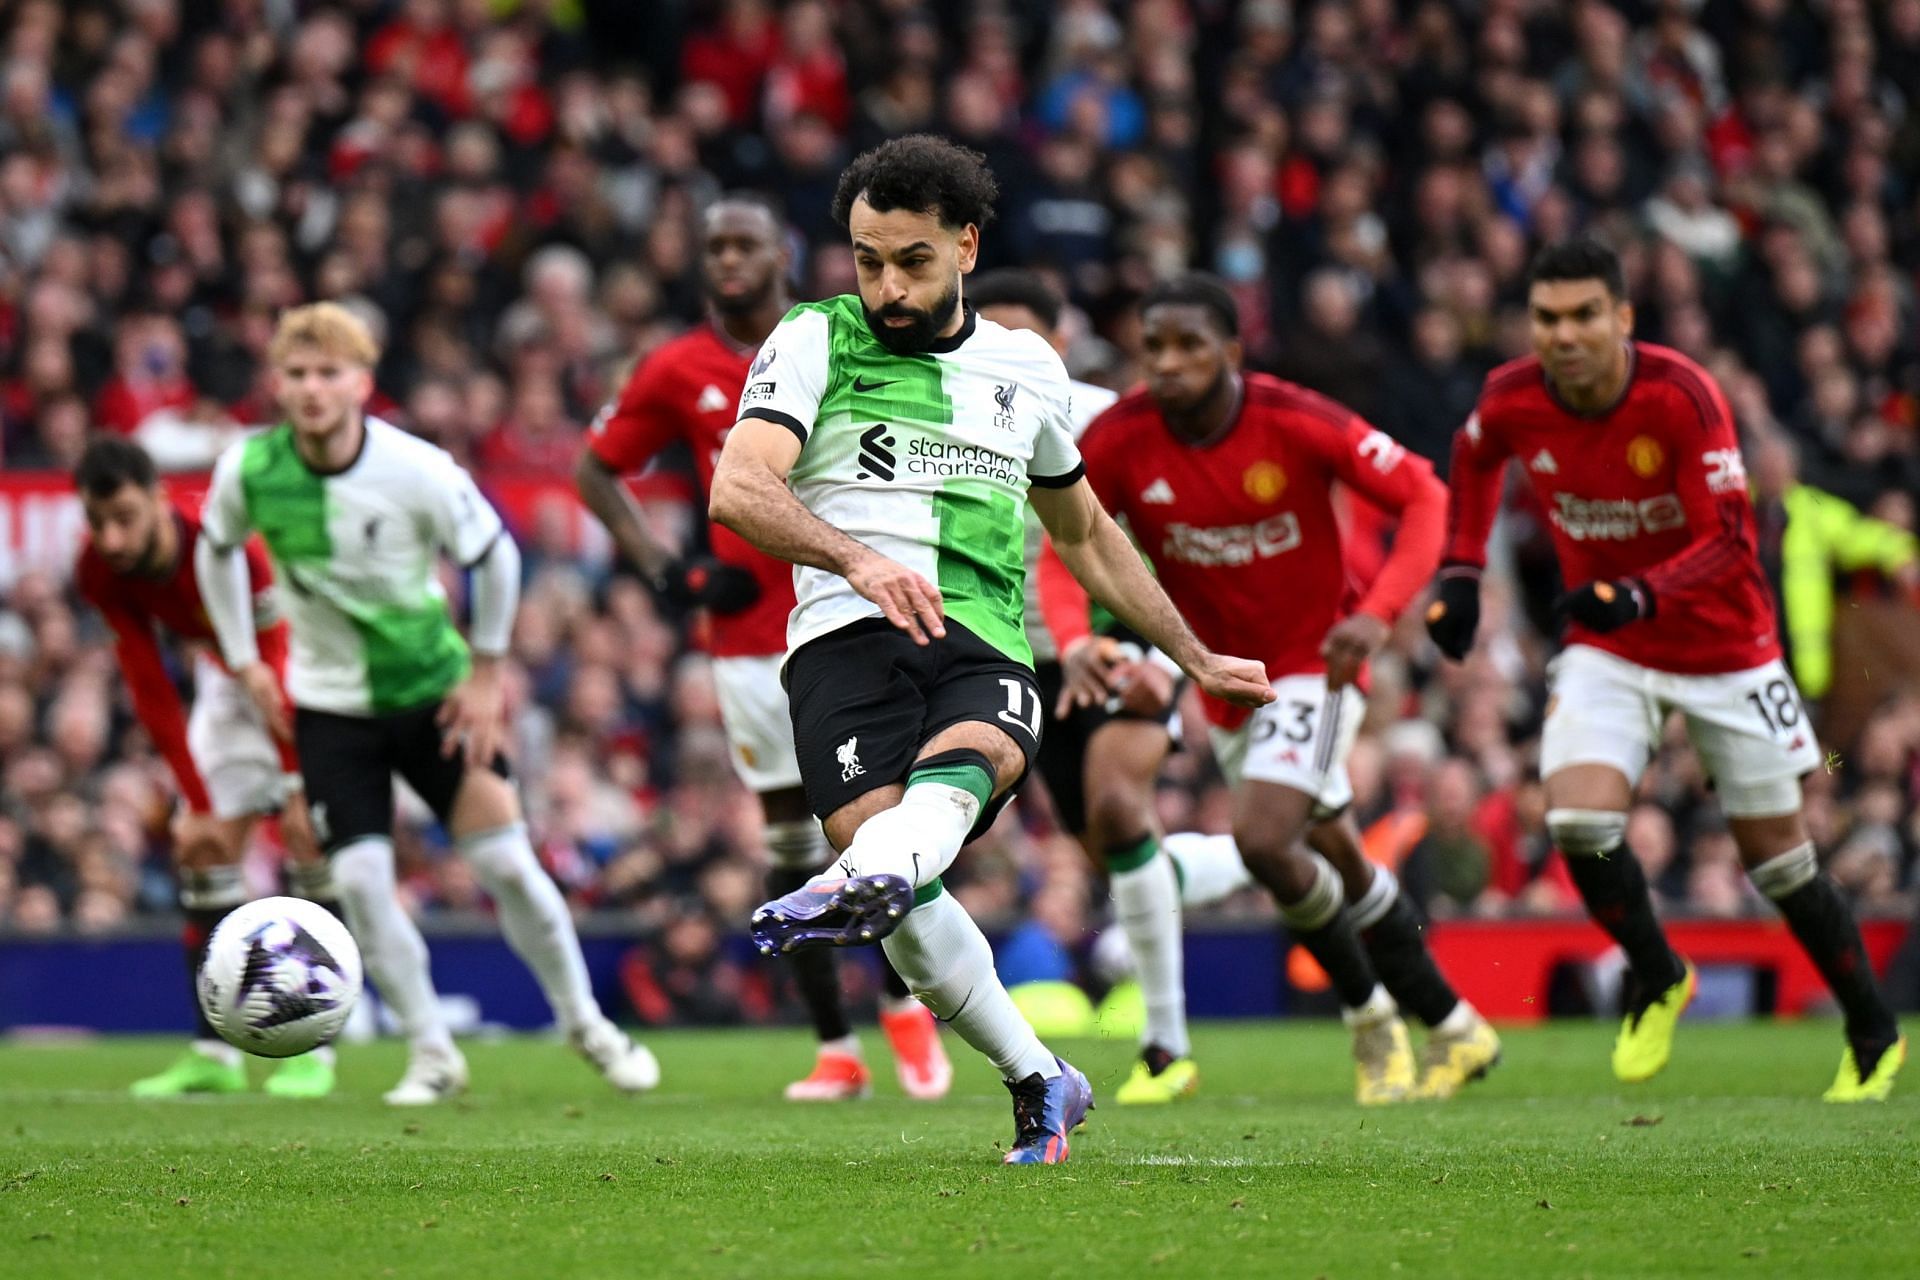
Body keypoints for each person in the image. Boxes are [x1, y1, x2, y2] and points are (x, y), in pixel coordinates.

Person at [709, 136, 1271, 1164]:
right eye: (868, 259)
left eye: (912, 259)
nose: (886, 285)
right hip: (843, 643)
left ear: (967, 244)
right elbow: (740, 486)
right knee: (905, 889)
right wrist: (856, 559)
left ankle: (858, 875)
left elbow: (1089, 532)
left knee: (960, 770)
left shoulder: (1026, 368)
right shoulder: (813, 338)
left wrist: (1192, 653)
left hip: (983, 640)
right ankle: (1039, 1076)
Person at [1427, 236, 1905, 1101]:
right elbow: (1472, 455)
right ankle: (1657, 973)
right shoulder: (1511, 397)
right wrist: (1461, 571)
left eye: (1583, 316)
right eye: (1546, 318)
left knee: (1780, 863)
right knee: (1575, 818)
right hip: (1610, 645)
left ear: (1622, 318)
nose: (1564, 335)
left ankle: (1873, 1030)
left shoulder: (1682, 394)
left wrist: (1641, 593)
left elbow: (1732, 539)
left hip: (1727, 649)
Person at [195, 302, 660, 1105]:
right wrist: (243, 663)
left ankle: (588, 1025)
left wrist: (484, 675)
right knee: (366, 884)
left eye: (329, 373)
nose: (312, 389)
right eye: (298, 374)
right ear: (277, 383)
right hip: (331, 708)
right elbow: (215, 548)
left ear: (361, 382)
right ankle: (433, 1051)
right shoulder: (249, 469)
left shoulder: (415, 468)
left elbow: (496, 556)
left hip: (434, 695)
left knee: (508, 865)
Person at [1067, 273, 1498, 1105]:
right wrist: (1083, 634)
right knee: (1335, 850)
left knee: (1266, 840)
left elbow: (1424, 492)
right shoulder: (1123, 438)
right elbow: (1070, 537)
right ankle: (1455, 1026)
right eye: (1154, 346)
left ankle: (1370, 1022)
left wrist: (1375, 616)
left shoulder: (1294, 419)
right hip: (1222, 680)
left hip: (1314, 664)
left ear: (1231, 351)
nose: (1169, 363)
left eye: (1190, 344)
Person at [576, 193, 950, 1103]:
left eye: (745, 243)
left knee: (878, 823)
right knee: (794, 840)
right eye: (714, 247)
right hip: (747, 644)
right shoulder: (675, 367)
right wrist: (671, 575)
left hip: (848, 615)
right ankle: (835, 1046)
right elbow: (596, 468)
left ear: (781, 251)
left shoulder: (841, 337)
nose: (729, 259)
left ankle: (906, 1008)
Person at [970, 267, 1248, 1106]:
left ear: (1059, 344)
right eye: (991, 333)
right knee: (1118, 856)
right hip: (1020, 656)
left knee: (1121, 808)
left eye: (1024, 336)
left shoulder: (1106, 421)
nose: (1003, 351)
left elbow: (1157, 537)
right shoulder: (947, 412)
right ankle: (1265, 855)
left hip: (1124, 644)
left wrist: (1153, 649)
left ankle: (1166, 1044)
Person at [73, 437, 338, 1099]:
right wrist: (199, 798)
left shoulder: (228, 548)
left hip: (305, 665)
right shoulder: (100, 571)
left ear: (161, 499)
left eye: (126, 518)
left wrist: (298, 783)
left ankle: (314, 1052)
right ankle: (213, 1053)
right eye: (98, 521)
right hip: (226, 678)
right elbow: (150, 687)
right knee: (199, 846)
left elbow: (277, 659)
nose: (112, 537)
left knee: (310, 840)